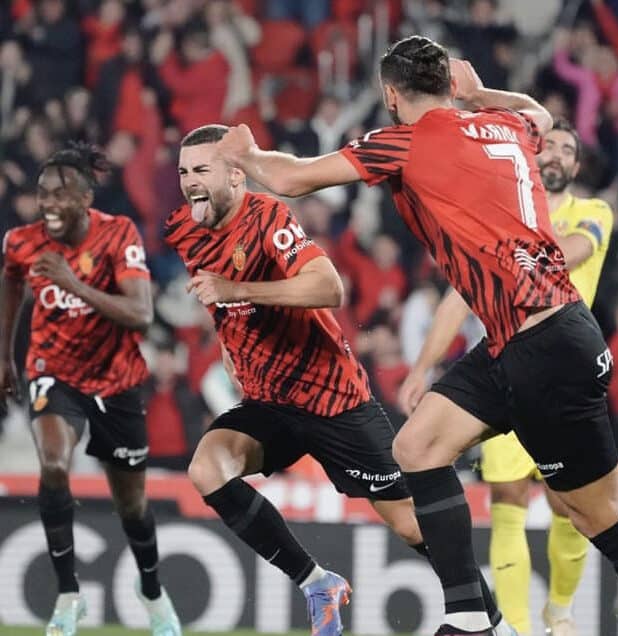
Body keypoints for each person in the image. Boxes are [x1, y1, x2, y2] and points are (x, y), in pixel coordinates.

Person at [214, 36, 618, 636]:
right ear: (451, 85)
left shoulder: (401, 140)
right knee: (418, 447)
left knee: (600, 516)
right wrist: (480, 94)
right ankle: (472, 619)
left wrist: (244, 154)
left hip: (545, 346)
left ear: (390, 94)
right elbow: (538, 113)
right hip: (524, 341)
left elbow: (291, 179)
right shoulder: (504, 124)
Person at [166, 124, 515, 636]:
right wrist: (228, 344)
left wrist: (235, 287)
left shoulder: (267, 216)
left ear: (236, 175)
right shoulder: (186, 230)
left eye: (202, 169)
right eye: (183, 171)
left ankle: (494, 625)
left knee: (411, 524)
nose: (189, 181)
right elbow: (219, 299)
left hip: (334, 401)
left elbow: (328, 288)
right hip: (269, 401)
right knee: (208, 468)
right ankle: (316, 583)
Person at [398, 119, 614, 635]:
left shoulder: (594, 212)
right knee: (507, 497)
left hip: (566, 371)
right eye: (549, 147)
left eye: (567, 150)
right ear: (531, 159)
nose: (556, 155)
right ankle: (515, 627)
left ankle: (559, 611)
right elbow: (458, 296)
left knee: (572, 509)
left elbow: (573, 252)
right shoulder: (505, 215)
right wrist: (422, 367)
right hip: (505, 365)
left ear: (577, 167)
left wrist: (513, 234)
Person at [0, 142, 181, 636]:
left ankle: (152, 593)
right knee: (55, 464)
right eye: (42, 194)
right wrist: (4, 356)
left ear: (85, 198)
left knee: (132, 508)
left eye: (60, 194)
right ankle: (67, 596)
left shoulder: (117, 233)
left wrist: (73, 283)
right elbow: (11, 280)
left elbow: (141, 314)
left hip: (116, 381)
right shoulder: (22, 241)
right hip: (52, 370)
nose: (49, 204)